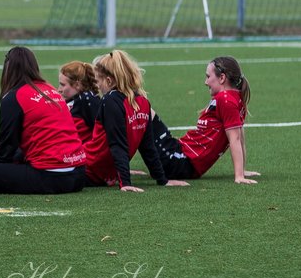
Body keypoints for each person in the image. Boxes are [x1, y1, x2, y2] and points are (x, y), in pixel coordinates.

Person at [0, 46, 87, 195]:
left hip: (50, 176)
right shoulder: (50, 90)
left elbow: (6, 152)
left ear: (8, 68)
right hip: (78, 174)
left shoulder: (14, 97)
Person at [82, 50, 188, 193]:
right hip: (86, 169)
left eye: (98, 81)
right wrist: (160, 179)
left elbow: (143, 145)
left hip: (89, 171)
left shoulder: (113, 101)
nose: (98, 86)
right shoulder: (141, 102)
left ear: (108, 81)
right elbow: (141, 146)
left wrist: (162, 180)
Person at [146, 55, 259, 184]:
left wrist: (239, 175)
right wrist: (242, 170)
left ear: (222, 78)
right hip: (179, 156)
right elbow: (240, 136)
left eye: (208, 77)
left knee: (140, 106)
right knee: (139, 108)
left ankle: (120, 169)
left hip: (179, 162)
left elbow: (236, 138)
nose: (205, 82)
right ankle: (122, 166)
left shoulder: (226, 100)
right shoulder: (234, 98)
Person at [57, 60, 101, 146]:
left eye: (62, 85)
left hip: (82, 155)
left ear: (77, 85)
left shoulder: (87, 100)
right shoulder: (73, 100)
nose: (59, 89)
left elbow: (100, 133)